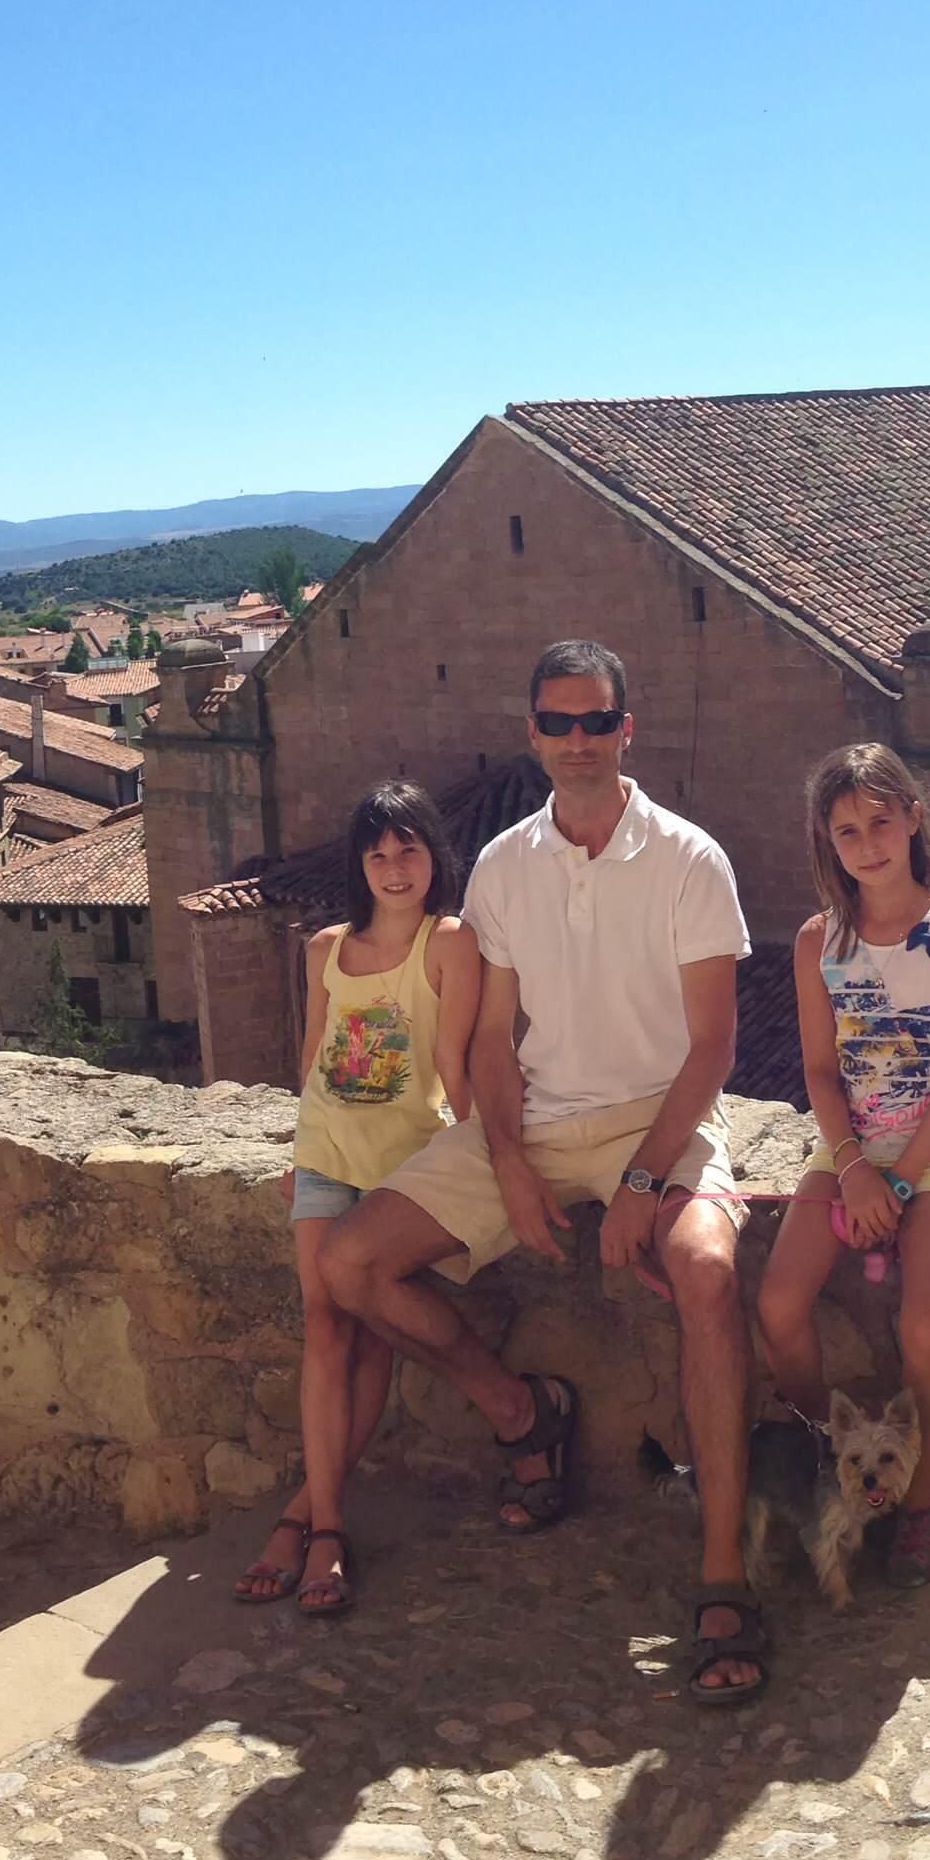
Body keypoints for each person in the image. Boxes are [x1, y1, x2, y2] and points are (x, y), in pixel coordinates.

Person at [383, 640, 779, 1707]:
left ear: (624, 731)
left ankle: (722, 1571)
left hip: (663, 1123)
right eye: (555, 723)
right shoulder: (505, 862)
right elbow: (495, 1037)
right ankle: (523, 1414)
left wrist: (648, 1186)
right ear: (532, 734)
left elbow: (711, 1051)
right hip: (538, 1125)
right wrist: (509, 1164)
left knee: (704, 1273)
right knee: (348, 1266)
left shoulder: (691, 859)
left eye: (594, 721)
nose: (574, 741)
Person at [237, 782, 511, 1620]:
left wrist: (499, 1166)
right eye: (378, 854)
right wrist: (298, 1154)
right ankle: (324, 1527)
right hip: (326, 1159)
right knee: (325, 1326)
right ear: (361, 866)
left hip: (404, 1171)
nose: (395, 869)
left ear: (435, 858)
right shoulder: (322, 949)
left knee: (373, 1334)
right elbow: (315, 1060)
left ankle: (308, 1523)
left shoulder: (450, 944)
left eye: (409, 850)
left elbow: (458, 1069)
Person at [755, 743, 930, 1585]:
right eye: (846, 830)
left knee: (924, 1326)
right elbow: (820, 1070)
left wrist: (899, 1179)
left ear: (913, 818)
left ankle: (920, 1498)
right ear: (829, 841)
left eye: (880, 822)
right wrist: (853, 1168)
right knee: (779, 1302)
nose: (867, 843)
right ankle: (840, 1467)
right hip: (849, 1148)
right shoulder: (822, 939)